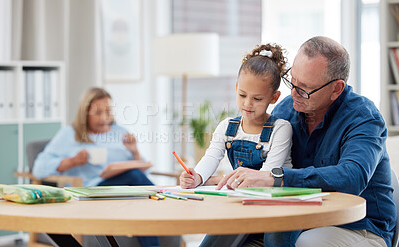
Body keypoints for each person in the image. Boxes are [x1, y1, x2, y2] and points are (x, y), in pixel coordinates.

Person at [212, 36, 397, 247]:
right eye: (292, 80)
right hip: (298, 220)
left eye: (304, 88)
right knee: (225, 233)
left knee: (309, 242)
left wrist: (277, 177)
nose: (293, 93)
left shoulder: (364, 118)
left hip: (359, 227)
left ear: (336, 89)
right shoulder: (286, 110)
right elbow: (261, 170)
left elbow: (352, 178)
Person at [32, 87, 159, 247]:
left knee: (137, 185)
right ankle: (161, 205)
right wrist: (72, 161)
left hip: (125, 195)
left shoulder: (120, 132)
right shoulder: (70, 134)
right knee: (135, 178)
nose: (104, 118)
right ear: (85, 113)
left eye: (107, 111)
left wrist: (134, 151)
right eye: (98, 113)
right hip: (92, 191)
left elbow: (144, 171)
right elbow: (39, 168)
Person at [179, 44, 293, 189]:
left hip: (272, 198)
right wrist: (197, 177)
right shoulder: (226, 127)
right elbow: (212, 157)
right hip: (241, 193)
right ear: (236, 87)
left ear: (274, 97)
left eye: (257, 99)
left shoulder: (281, 129)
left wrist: (216, 180)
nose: (248, 103)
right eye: (242, 95)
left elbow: (266, 175)